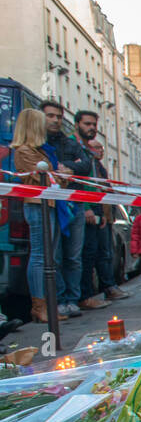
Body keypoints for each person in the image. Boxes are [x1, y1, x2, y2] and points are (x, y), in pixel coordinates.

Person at [10, 108, 67, 322]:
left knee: (48, 257)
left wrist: (60, 176)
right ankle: (39, 306)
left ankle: (48, 306)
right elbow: (46, 178)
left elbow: (55, 177)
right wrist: (60, 175)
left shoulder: (39, 152)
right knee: (39, 257)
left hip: (47, 204)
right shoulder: (24, 151)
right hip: (36, 206)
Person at [41, 100, 94, 317]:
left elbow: (85, 165)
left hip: (75, 204)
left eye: (58, 116)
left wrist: (69, 168)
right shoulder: (39, 142)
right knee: (54, 256)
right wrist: (59, 170)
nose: (55, 120)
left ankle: (72, 299)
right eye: (50, 116)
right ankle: (59, 299)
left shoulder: (69, 144)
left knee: (74, 256)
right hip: (52, 206)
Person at [80, 135, 128, 303]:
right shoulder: (88, 166)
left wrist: (108, 216)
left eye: (101, 148)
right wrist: (89, 210)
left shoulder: (100, 167)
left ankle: (108, 286)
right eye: (96, 147)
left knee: (105, 254)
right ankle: (90, 293)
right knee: (91, 255)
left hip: (105, 216)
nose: (100, 150)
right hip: (94, 214)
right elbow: (87, 189)